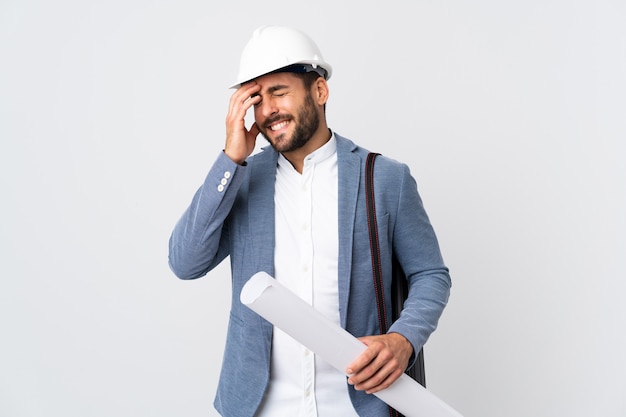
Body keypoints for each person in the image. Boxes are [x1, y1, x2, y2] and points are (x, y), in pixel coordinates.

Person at [168, 25, 451, 417]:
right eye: (256, 98)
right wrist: (230, 158)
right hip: (256, 407)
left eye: (279, 92)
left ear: (319, 91)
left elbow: (431, 274)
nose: (267, 110)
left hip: (360, 406)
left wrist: (404, 339)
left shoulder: (384, 178)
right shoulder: (240, 179)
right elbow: (185, 262)